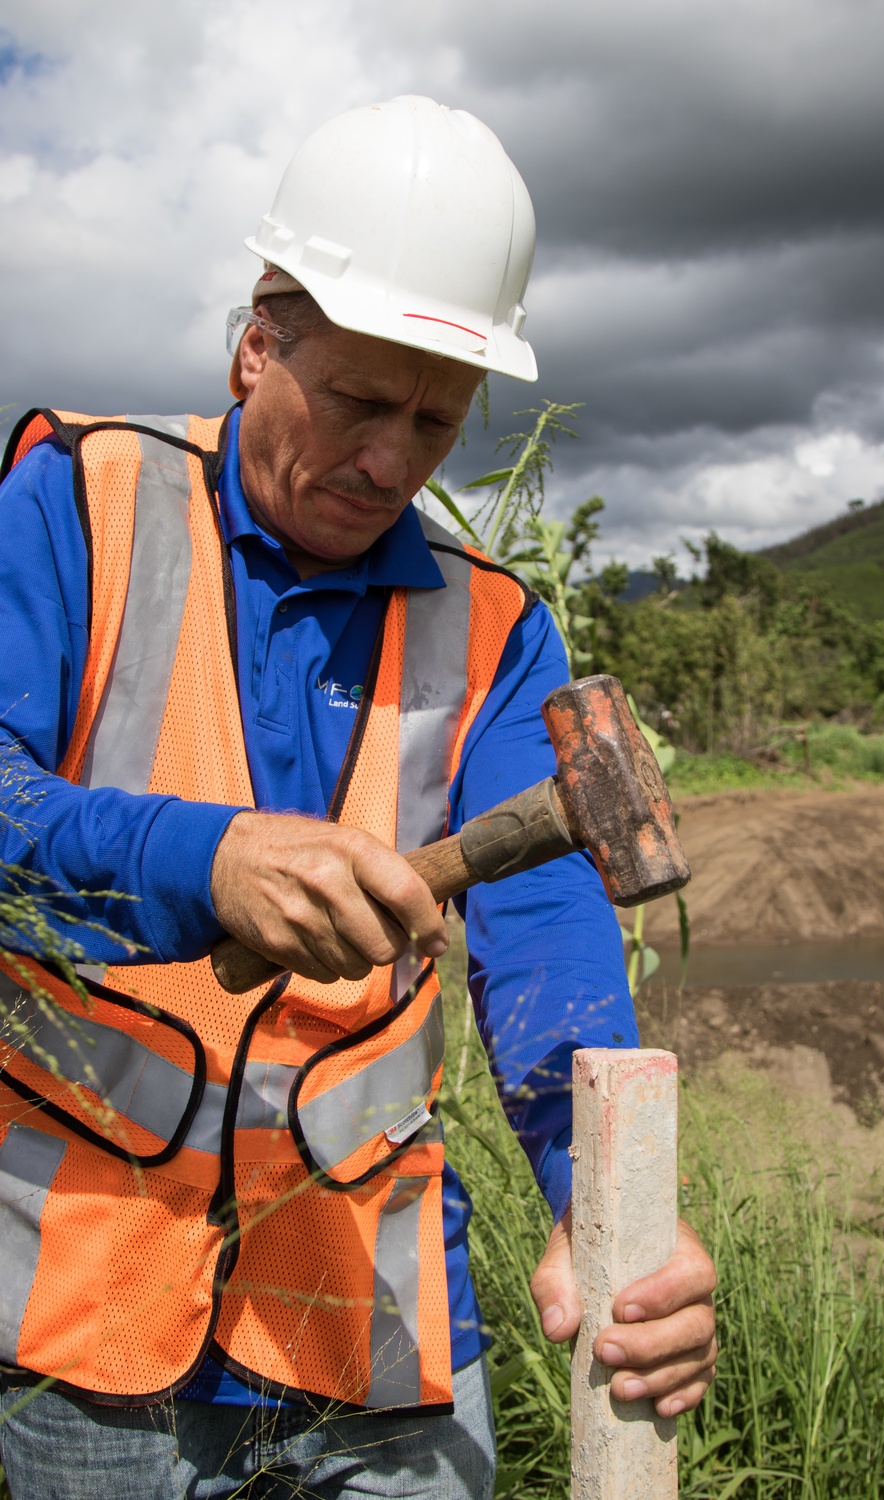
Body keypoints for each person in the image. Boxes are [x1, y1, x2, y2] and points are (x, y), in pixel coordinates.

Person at [0, 96, 716, 1499]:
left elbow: (549, 934)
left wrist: (604, 1211)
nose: (394, 461)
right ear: (257, 343)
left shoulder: (494, 627)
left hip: (372, 1325)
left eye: (436, 421)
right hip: (83, 1321)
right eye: (358, 402)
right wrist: (201, 860)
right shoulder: (74, 505)